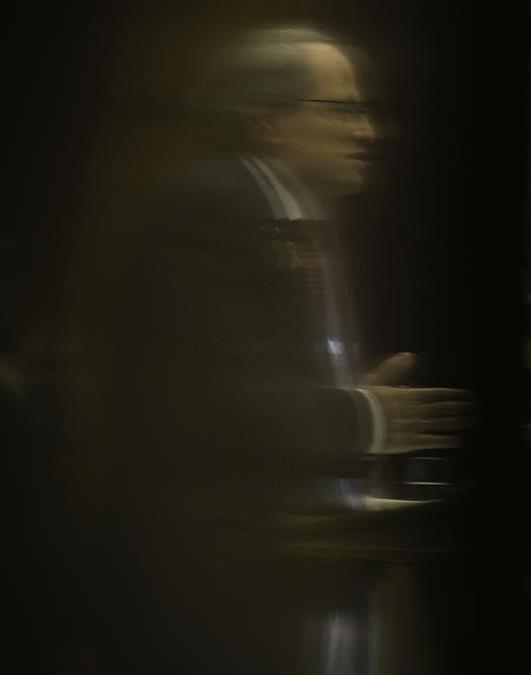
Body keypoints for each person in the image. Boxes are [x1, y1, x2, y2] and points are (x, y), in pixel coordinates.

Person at [77, 24, 472, 674]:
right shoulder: (207, 209)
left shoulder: (279, 214)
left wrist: (350, 398)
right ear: (267, 120)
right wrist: (368, 417)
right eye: (343, 110)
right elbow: (222, 404)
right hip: (207, 593)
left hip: (280, 578)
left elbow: (262, 383)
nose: (367, 132)